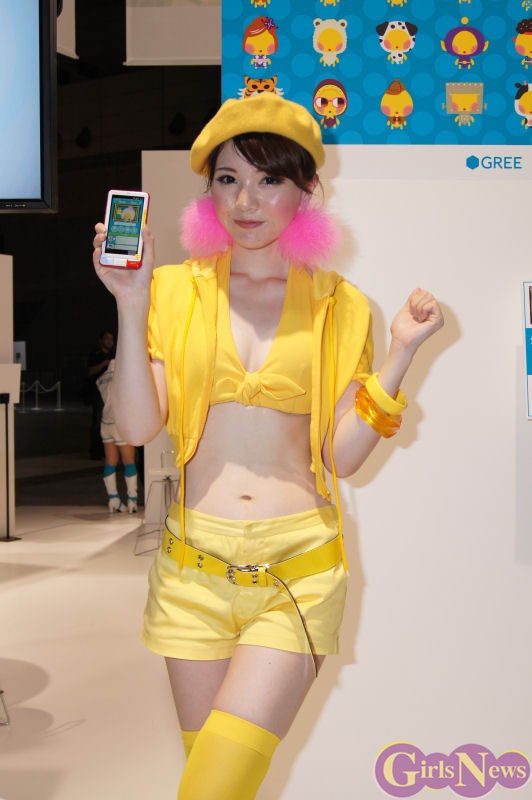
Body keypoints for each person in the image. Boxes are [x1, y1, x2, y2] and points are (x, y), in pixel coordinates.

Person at [92, 93, 444, 800]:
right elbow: (135, 427)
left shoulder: (341, 304)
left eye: (268, 179)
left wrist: (399, 356)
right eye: (228, 179)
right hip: (191, 573)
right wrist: (130, 304)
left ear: (307, 189)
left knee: (213, 790)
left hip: (297, 572)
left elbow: (342, 457)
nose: (245, 200)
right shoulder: (171, 291)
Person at [96, 358, 138, 513]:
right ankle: (132, 500)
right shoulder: (123, 377)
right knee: (129, 461)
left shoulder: (101, 379)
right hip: (121, 422)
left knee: (110, 461)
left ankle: (113, 499)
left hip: (105, 422)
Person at [86, 330, 115, 459]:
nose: (109, 341)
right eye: (107, 338)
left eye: (111, 339)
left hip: (112, 393)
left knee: (110, 422)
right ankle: (95, 451)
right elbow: (91, 371)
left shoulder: (114, 354)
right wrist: (104, 363)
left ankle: (107, 450)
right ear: (101, 340)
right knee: (98, 422)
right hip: (99, 394)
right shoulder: (96, 355)